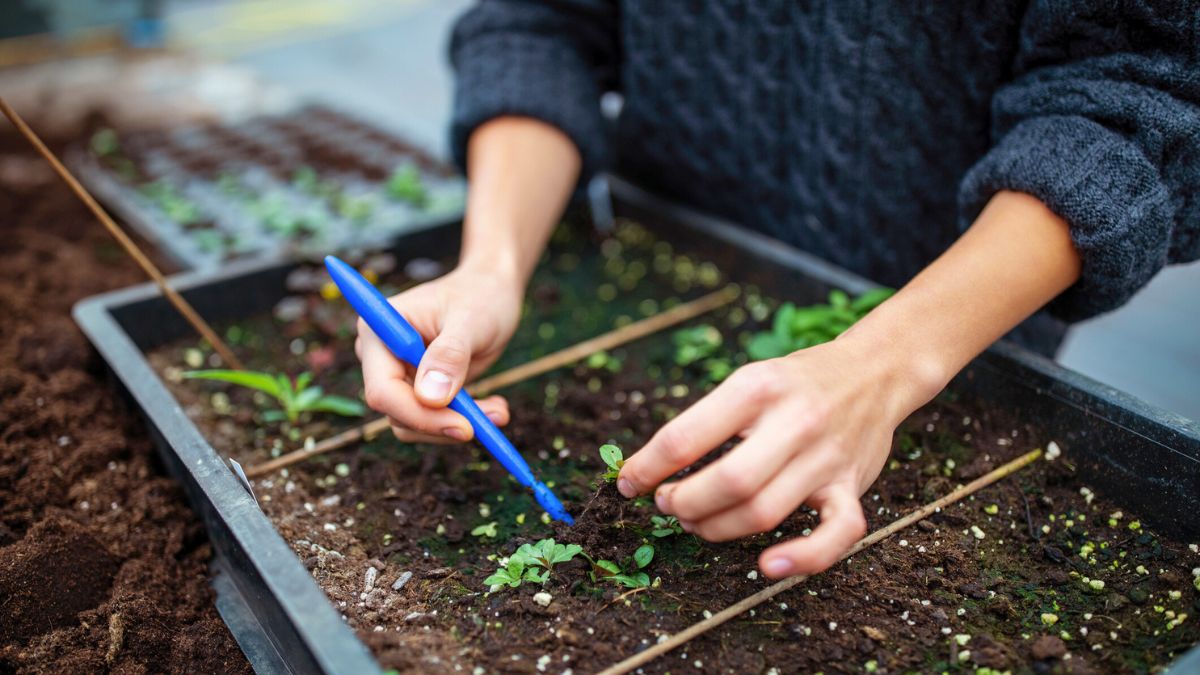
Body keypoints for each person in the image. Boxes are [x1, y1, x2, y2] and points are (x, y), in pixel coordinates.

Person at [357, 1, 1199, 579]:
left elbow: (1138, 99)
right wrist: (493, 265)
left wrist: (883, 363)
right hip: (653, 257)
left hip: (963, 329)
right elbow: (542, 25)